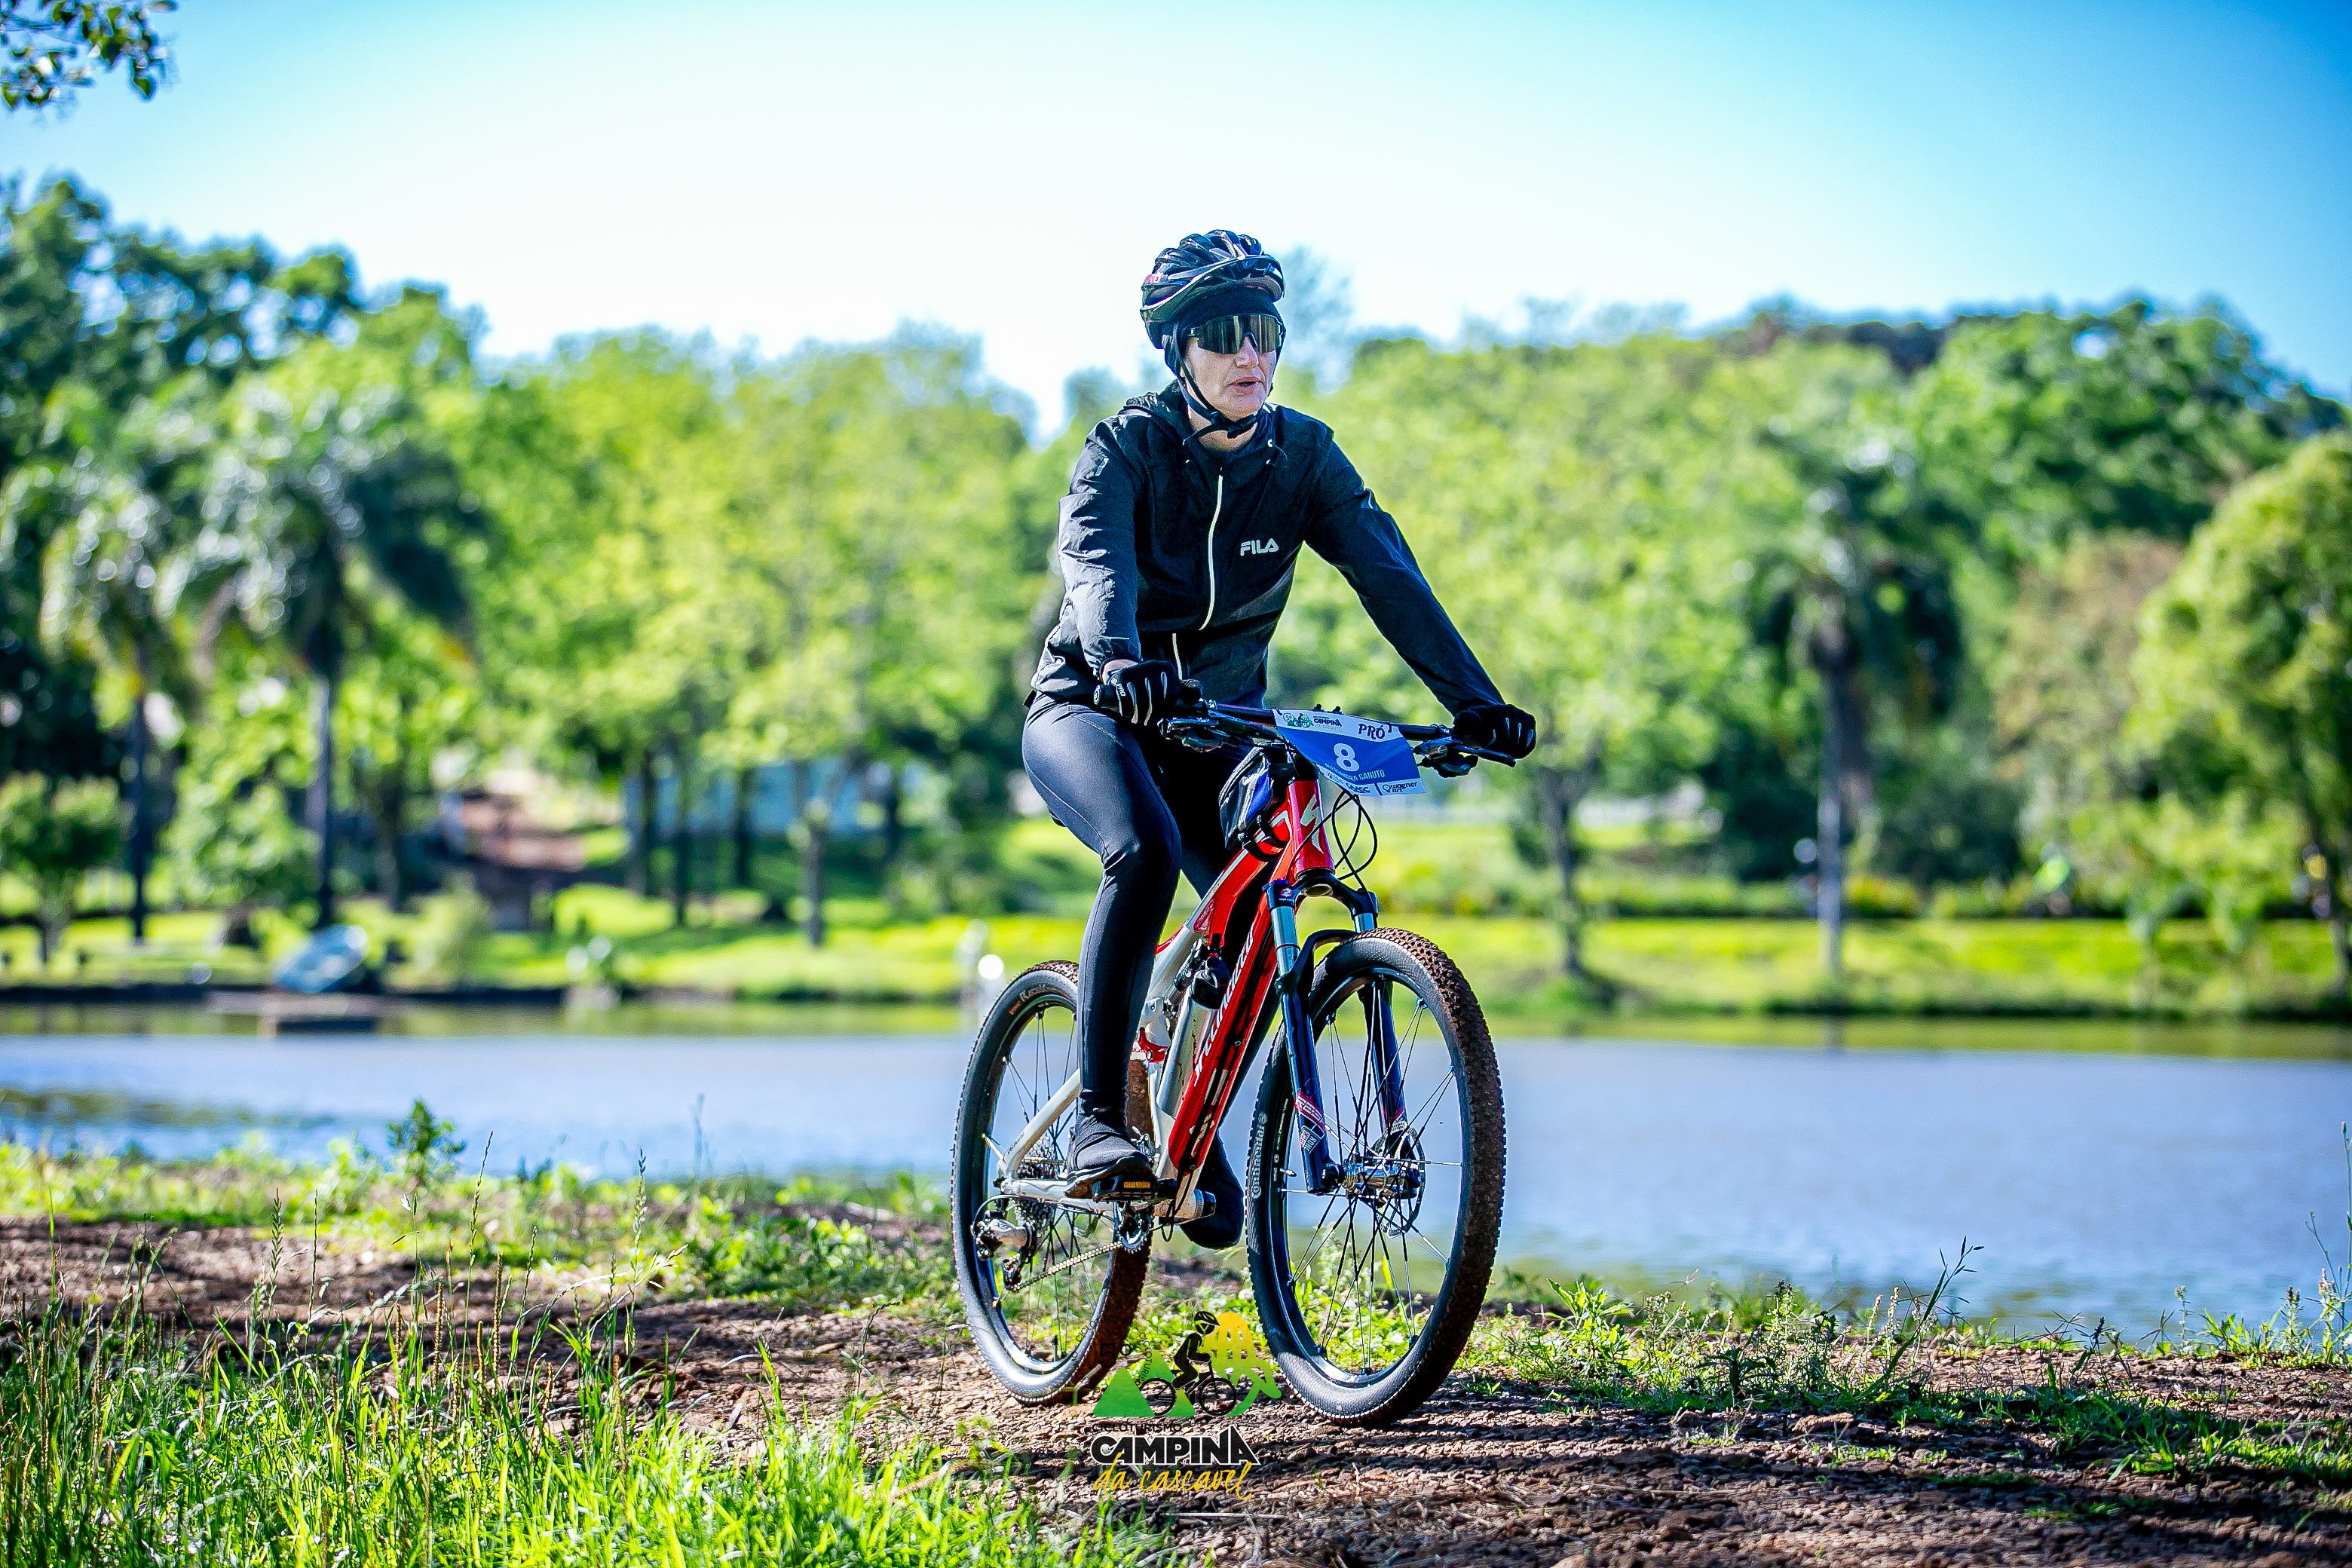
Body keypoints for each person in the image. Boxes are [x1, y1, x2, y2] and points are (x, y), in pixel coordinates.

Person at [1024, 230, 1536, 1246]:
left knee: (1267, 899)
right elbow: (1097, 569)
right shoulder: (1124, 449)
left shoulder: (1303, 457)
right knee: (1145, 852)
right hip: (1094, 707)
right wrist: (1121, 660)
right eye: (1224, 335)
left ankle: (1188, 1110)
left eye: (1265, 331)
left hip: (1217, 724)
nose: (1250, 354)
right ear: (1178, 350)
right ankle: (1096, 1119)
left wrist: (1474, 700)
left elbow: (1389, 576)